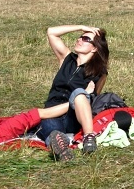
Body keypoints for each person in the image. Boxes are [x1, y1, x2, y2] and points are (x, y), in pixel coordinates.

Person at [36, 25, 109, 160]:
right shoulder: (66, 59)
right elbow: (51, 32)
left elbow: (94, 98)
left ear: (94, 48)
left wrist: (87, 94)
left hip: (73, 116)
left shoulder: (99, 73)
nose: (79, 40)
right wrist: (81, 27)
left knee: (79, 93)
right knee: (51, 128)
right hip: (52, 111)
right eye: (80, 37)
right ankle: (61, 149)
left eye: (86, 39)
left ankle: (89, 137)